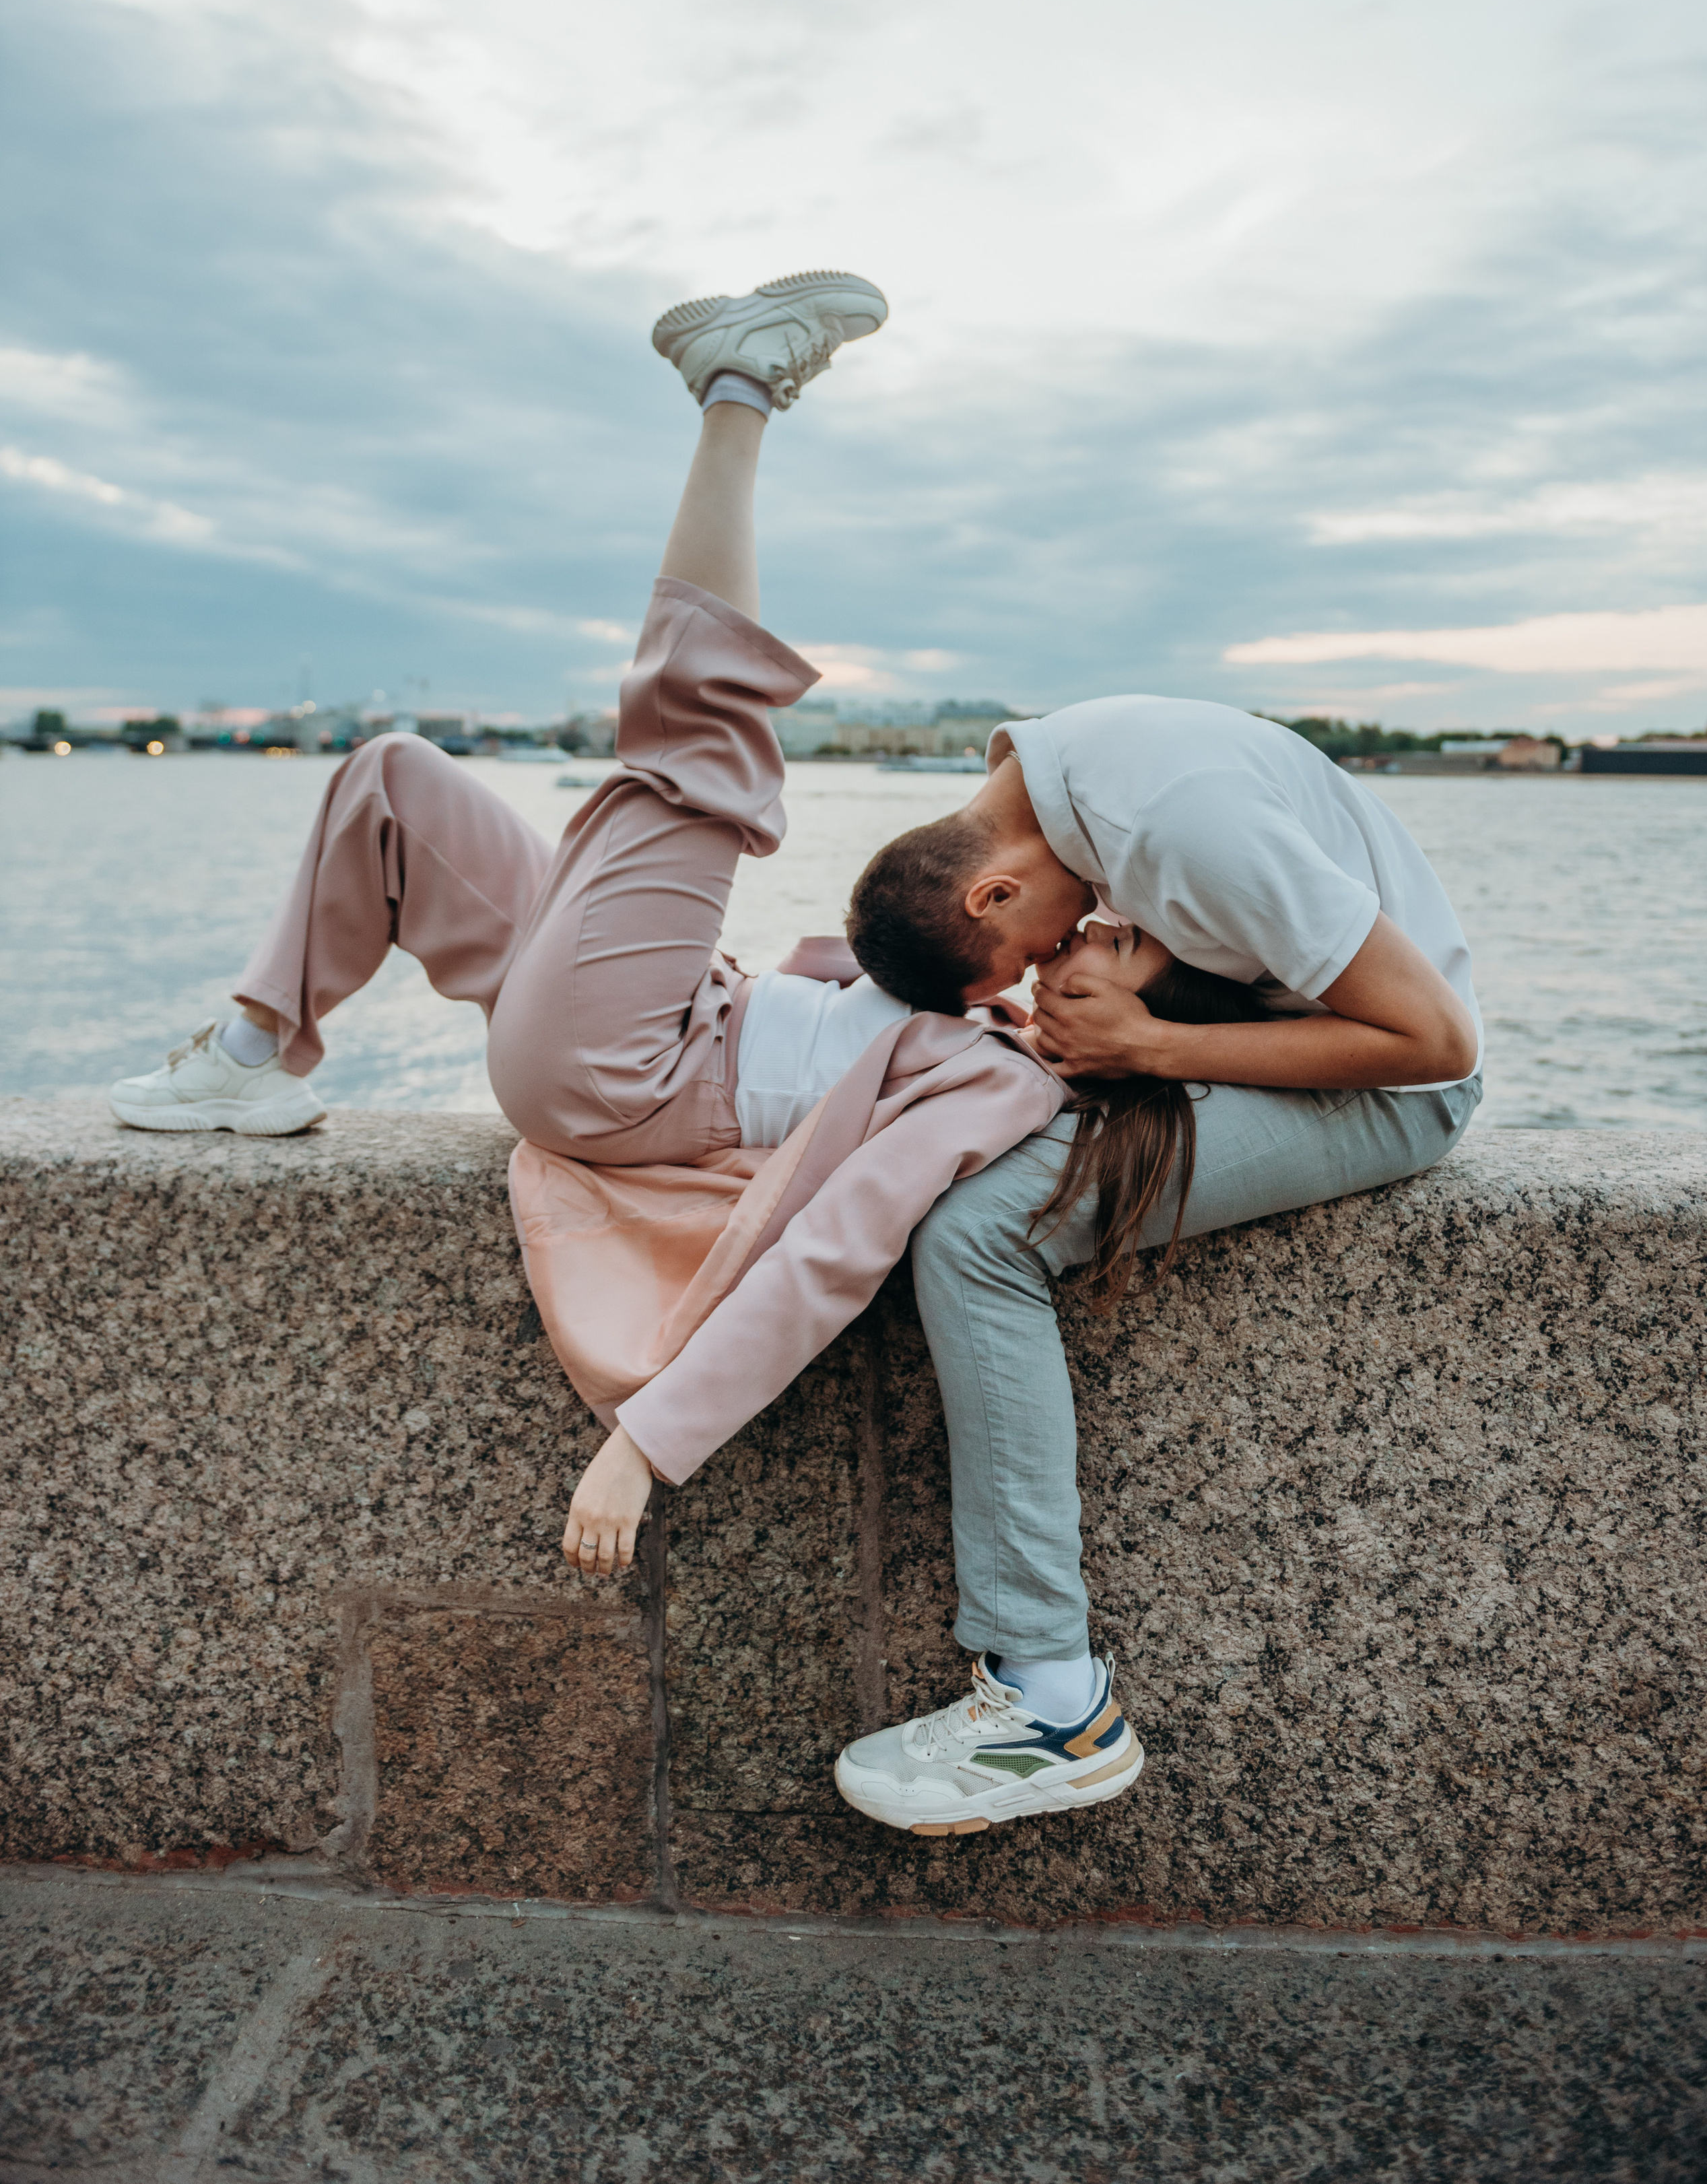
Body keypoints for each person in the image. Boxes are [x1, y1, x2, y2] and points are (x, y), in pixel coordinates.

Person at [107, 268, 1162, 1834]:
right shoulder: (963, 1012)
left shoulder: (1000, 1089)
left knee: (695, 758)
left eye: (1118, 943)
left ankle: (739, 395)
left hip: (631, 1071)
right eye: (1087, 921)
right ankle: (258, 1048)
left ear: (1143, 1022)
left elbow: (837, 1257)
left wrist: (641, 1451)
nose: (1085, 937)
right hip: (669, 1016)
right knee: (395, 778)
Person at [828, 673, 1482, 1830]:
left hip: (1390, 1087)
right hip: (1259, 1029)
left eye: (1012, 962)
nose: (1035, 973)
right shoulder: (1041, 768)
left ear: (991, 887)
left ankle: (1052, 1704)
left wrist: (1151, 1042)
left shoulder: (1174, 828)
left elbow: (1433, 1043)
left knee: (982, 1232)